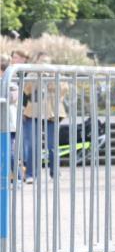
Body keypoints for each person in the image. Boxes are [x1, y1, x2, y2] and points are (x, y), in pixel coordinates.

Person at [20, 54, 67, 184]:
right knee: (33, 144)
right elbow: (27, 90)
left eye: (46, 63)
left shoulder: (57, 74)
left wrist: (51, 77)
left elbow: (62, 91)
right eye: (41, 63)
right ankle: (31, 174)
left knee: (52, 144)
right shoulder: (32, 74)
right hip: (33, 111)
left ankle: (55, 171)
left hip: (52, 112)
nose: (44, 66)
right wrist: (37, 77)